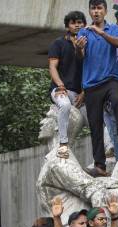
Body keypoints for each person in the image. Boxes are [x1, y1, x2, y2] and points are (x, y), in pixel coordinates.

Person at [79, 0, 118, 175]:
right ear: (90, 11)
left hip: (110, 79)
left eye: (99, 8)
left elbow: (117, 43)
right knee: (95, 124)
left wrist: (100, 32)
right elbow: (81, 56)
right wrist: (79, 48)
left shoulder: (113, 28)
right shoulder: (83, 32)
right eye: (93, 8)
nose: (96, 11)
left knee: (117, 101)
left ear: (105, 11)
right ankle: (100, 165)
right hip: (91, 84)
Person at [48, 11, 87, 159]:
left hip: (80, 94)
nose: (77, 25)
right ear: (67, 26)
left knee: (97, 118)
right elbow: (52, 67)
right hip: (60, 90)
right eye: (73, 22)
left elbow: (89, 70)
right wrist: (59, 85)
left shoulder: (89, 43)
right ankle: (63, 144)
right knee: (64, 106)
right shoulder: (58, 43)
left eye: (80, 22)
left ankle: (106, 154)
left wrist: (84, 93)